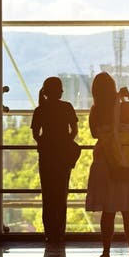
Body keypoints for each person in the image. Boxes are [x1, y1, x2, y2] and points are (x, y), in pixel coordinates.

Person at [85, 71, 129, 257]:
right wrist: (128, 96)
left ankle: (106, 253)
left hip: (105, 162)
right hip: (126, 160)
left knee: (108, 211)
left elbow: (94, 133)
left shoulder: (95, 110)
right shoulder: (123, 107)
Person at [30, 76, 78, 243]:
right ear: (60, 91)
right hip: (63, 156)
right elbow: (74, 130)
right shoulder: (67, 107)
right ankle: (60, 232)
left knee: (48, 196)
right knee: (61, 195)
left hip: (46, 157)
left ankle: (49, 233)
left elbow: (36, 133)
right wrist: (67, 142)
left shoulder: (40, 110)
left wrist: (44, 144)